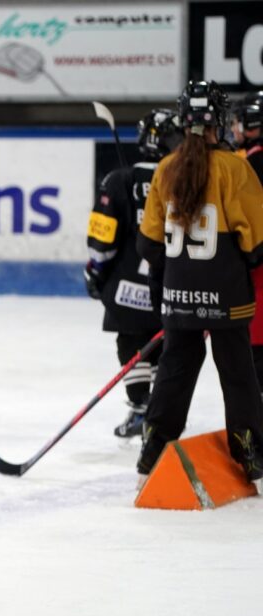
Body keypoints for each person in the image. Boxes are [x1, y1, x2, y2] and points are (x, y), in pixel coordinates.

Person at [136, 80, 263, 487]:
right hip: (227, 293)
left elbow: (148, 243)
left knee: (174, 370)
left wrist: (178, 277)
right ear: (218, 121)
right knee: (238, 374)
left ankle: (151, 454)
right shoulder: (235, 167)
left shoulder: (166, 168)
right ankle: (251, 458)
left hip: (178, 293)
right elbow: (255, 243)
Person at [84, 109, 182, 438]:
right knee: (165, 347)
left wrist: (95, 272)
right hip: (173, 285)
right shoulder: (187, 179)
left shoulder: (119, 180)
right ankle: (157, 410)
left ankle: (141, 408)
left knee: (131, 342)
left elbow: (102, 241)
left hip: (127, 288)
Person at [231, 92, 263, 396]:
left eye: (238, 121)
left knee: (255, 357)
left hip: (258, 278)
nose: (234, 127)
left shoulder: (250, 165)